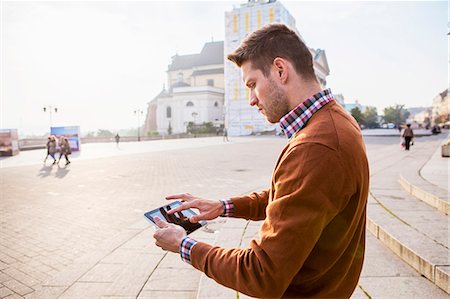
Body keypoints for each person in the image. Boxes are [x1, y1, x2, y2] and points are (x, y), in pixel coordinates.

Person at [152, 24, 369, 298]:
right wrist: (222, 207)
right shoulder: (336, 120)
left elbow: (260, 273)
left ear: (280, 70)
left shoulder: (316, 146)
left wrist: (183, 245)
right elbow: (293, 194)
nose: (252, 99)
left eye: (252, 84)